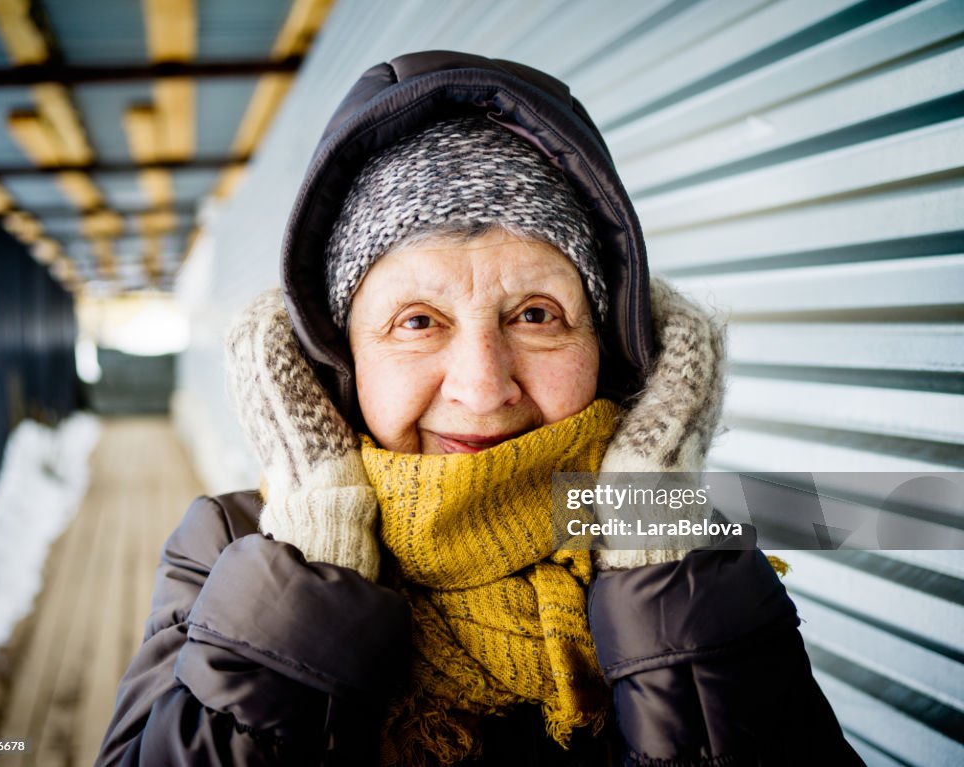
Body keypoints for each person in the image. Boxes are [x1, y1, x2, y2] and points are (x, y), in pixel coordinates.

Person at [96, 51, 864, 766]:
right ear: (343, 357)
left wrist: (659, 571)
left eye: (536, 314)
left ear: (612, 347)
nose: (481, 385)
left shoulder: (695, 549)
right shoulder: (233, 544)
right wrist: (315, 568)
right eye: (417, 321)